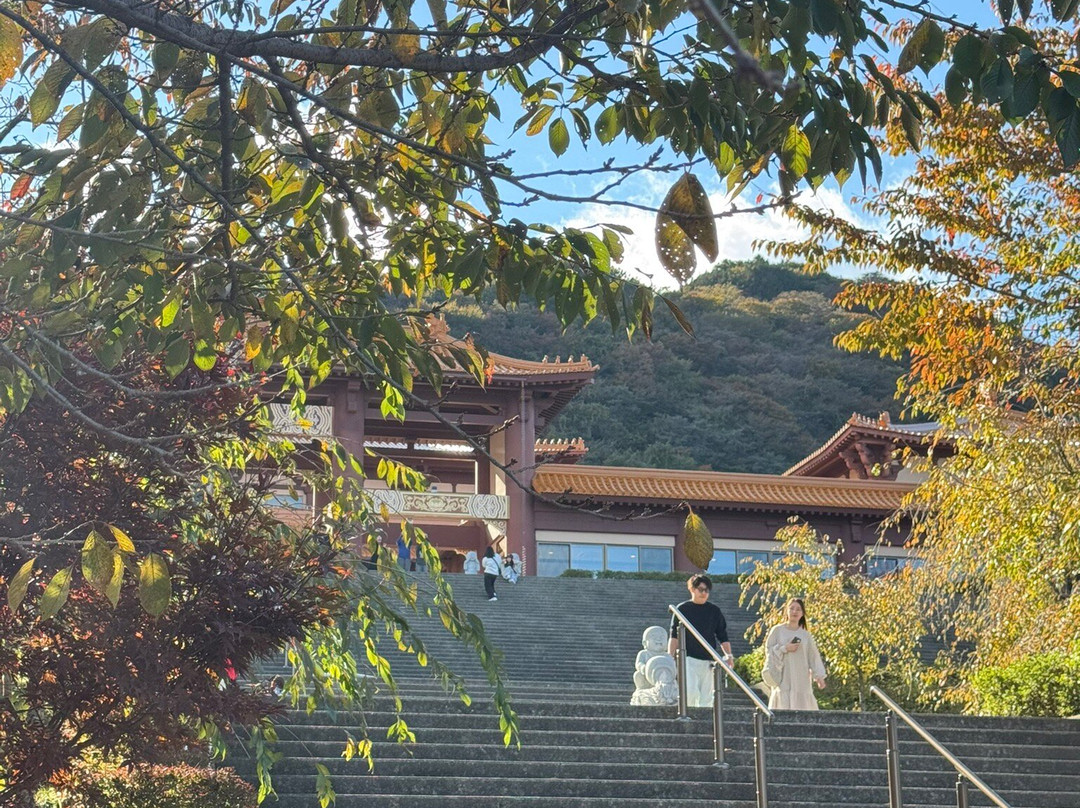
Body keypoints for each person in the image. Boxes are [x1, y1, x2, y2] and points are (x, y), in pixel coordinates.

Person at [668, 574, 733, 707]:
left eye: (706, 590)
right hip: (688, 658)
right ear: (692, 589)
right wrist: (670, 657)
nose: (703, 593)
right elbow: (674, 635)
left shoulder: (714, 611)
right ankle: (689, 719)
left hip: (708, 659)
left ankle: (707, 723)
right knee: (690, 693)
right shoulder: (682, 609)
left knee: (707, 697)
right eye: (700, 589)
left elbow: (722, 635)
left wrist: (729, 655)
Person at [763, 597, 827, 710]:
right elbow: (769, 651)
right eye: (791, 608)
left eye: (798, 609)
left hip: (801, 679)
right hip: (783, 678)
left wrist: (819, 676)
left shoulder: (805, 635)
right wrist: (784, 648)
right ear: (786, 611)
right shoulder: (777, 631)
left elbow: (813, 656)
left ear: (802, 613)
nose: (794, 612)